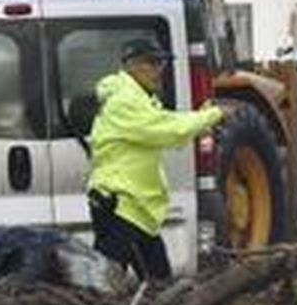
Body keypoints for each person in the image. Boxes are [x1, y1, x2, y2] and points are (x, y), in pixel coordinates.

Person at [86, 38, 223, 280]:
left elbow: (169, 134)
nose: (161, 69)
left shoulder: (141, 99)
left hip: (139, 209)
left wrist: (200, 121)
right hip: (122, 207)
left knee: (157, 283)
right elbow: (167, 129)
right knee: (105, 286)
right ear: (131, 65)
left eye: (163, 62)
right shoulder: (124, 101)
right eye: (153, 62)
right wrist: (214, 115)